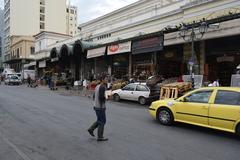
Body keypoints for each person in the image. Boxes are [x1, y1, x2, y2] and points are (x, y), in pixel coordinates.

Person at [87, 76, 108, 141]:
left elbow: (94, 96)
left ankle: (91, 129)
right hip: (100, 107)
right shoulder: (102, 87)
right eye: (106, 79)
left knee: (99, 120)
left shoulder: (97, 86)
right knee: (102, 121)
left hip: (96, 106)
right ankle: (100, 137)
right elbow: (101, 98)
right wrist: (107, 97)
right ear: (102, 80)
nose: (107, 80)